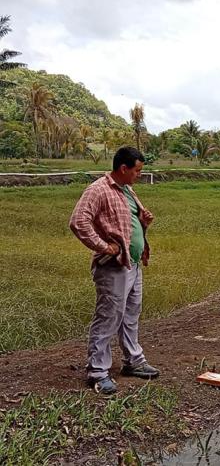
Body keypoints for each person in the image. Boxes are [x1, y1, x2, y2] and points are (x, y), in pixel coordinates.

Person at [69, 146, 160, 395]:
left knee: (130, 314)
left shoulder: (127, 189)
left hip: (132, 263)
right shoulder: (98, 190)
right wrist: (104, 247)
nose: (139, 175)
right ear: (123, 168)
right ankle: (98, 371)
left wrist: (143, 222)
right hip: (113, 266)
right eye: (137, 170)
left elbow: (126, 224)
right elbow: (78, 221)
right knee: (109, 316)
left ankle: (133, 360)